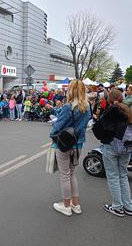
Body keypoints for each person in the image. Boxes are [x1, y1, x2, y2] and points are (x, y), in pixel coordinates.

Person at [50, 80, 91, 216]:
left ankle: (66, 206)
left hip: (64, 144)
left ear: (71, 91)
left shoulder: (68, 107)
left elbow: (57, 127)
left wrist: (52, 134)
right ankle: (76, 204)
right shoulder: (87, 107)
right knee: (72, 173)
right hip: (78, 144)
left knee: (65, 175)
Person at [97, 89, 132, 217]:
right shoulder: (128, 110)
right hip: (126, 147)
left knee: (113, 177)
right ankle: (128, 206)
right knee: (122, 176)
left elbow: (100, 128)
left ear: (109, 99)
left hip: (111, 146)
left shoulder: (111, 111)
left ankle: (117, 207)